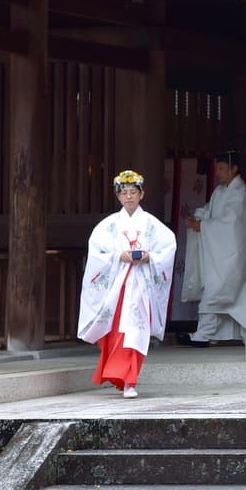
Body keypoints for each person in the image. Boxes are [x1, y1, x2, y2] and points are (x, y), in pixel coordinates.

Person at [77, 170, 178, 399]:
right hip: (117, 288)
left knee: (136, 331)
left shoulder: (152, 224)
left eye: (134, 192)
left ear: (142, 195)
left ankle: (130, 379)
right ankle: (121, 377)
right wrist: (117, 256)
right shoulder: (108, 225)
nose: (129, 197)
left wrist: (149, 256)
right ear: (118, 196)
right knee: (116, 330)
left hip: (140, 286)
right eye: (124, 193)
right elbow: (97, 252)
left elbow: (168, 247)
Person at [180, 149, 246, 345]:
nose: (218, 173)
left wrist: (203, 226)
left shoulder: (241, 193)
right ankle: (209, 334)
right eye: (217, 168)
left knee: (220, 288)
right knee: (222, 288)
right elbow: (213, 213)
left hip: (236, 251)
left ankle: (209, 334)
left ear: (233, 169)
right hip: (223, 250)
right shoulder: (220, 191)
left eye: (222, 168)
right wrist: (201, 217)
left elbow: (233, 223)